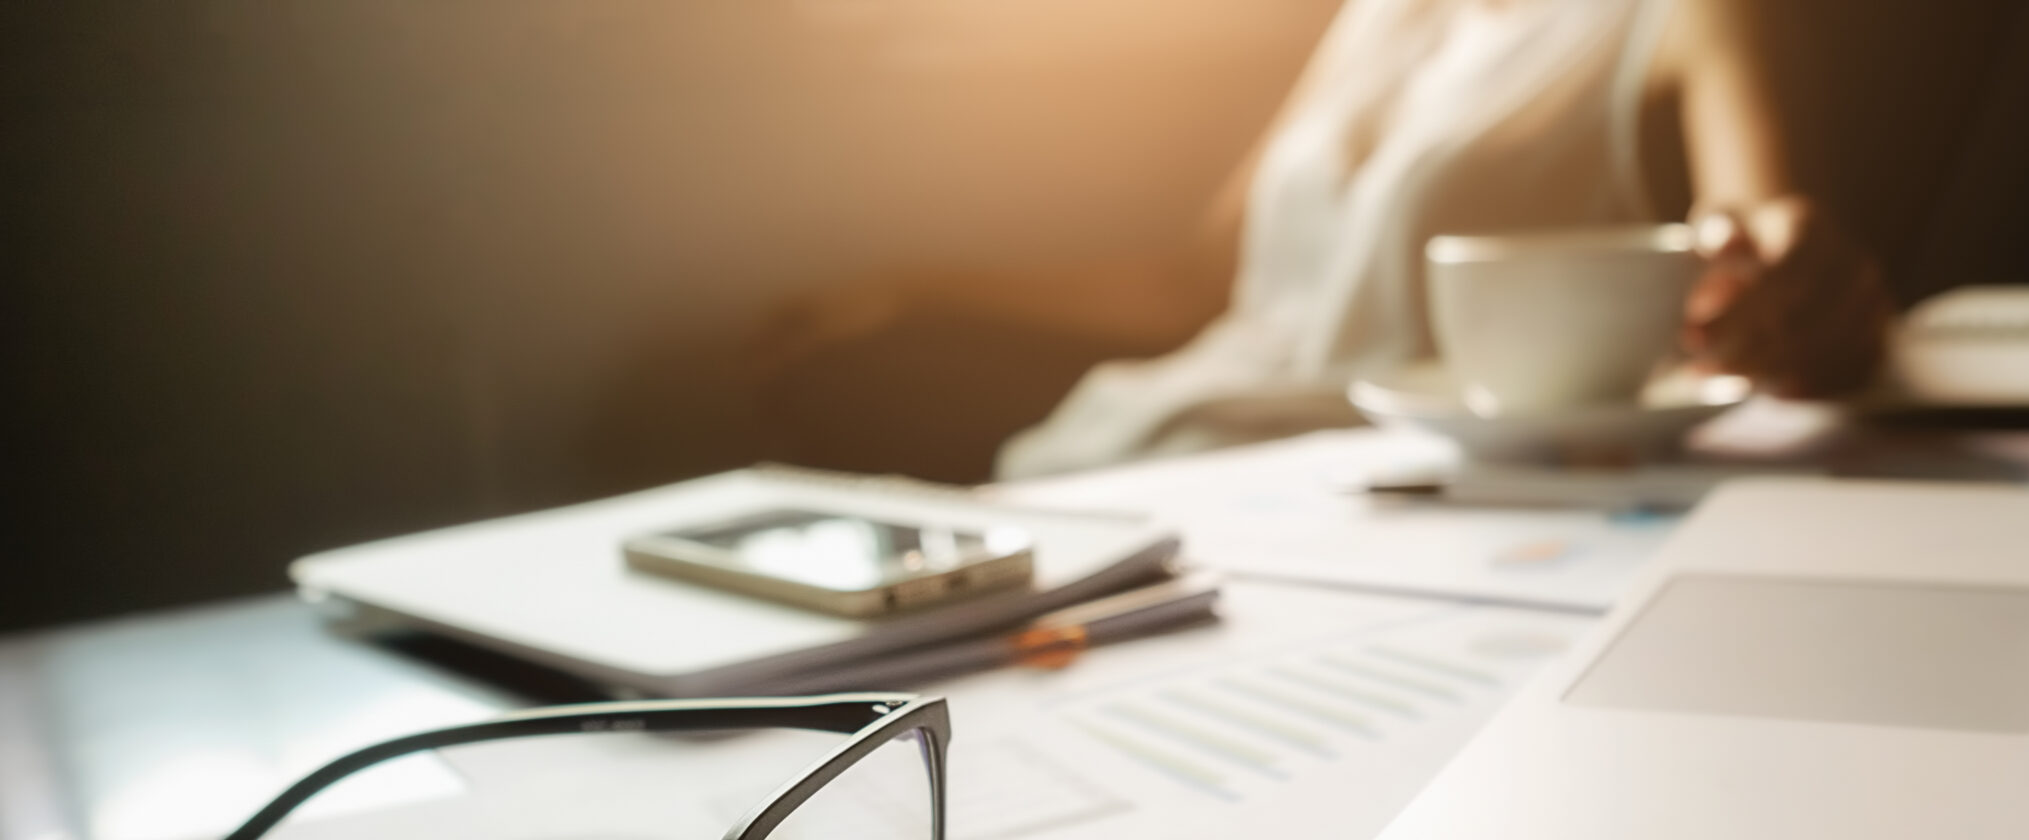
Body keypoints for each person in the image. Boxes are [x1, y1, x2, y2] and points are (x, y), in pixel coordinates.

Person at [776, 0, 1892, 479]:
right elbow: (1187, 283)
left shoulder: (1680, 17)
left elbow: (1761, 239)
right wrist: (916, 291)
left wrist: (1792, 290)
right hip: (1128, 450)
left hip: (1355, 474)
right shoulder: (1378, 14)